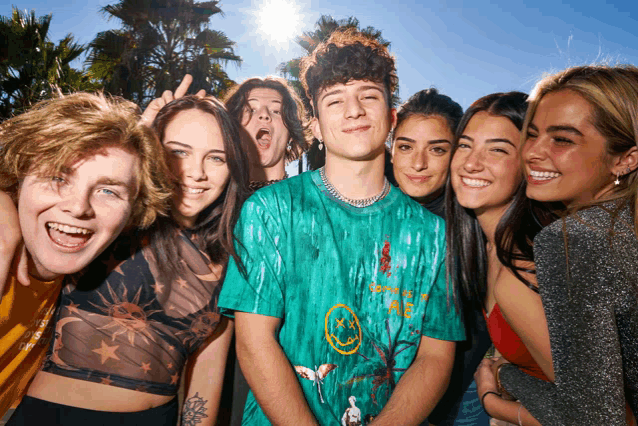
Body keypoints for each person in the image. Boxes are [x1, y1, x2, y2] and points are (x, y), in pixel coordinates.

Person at [218, 29, 465, 425]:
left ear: (391, 116)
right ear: (314, 125)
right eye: (335, 101)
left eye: (369, 96)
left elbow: (436, 357)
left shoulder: (433, 235)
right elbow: (254, 341)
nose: (353, 111)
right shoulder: (270, 209)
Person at [7, 95, 250, 425]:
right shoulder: (110, 222)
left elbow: (206, 373)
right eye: (178, 152)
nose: (196, 173)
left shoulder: (232, 255)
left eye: (217, 158)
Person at [0, 92, 172, 418]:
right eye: (57, 178)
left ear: (132, 212)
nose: (79, 207)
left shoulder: (81, 286)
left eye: (108, 191)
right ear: (19, 177)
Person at [495, 65, 638, 425]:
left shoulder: (574, 240)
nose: (532, 153)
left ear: (625, 159)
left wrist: (504, 378)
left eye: (562, 139)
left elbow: (596, 420)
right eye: (532, 134)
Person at [446, 91, 554, 425]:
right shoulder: (488, 249)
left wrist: (492, 400)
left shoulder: (523, 267)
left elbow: (598, 414)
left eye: (497, 150)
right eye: (465, 145)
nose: (471, 163)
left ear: (529, 164)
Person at [389, 88, 491, 426]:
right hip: (380, 395)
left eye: (436, 149)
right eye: (406, 146)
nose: (418, 163)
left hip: (459, 402)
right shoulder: (374, 212)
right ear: (391, 151)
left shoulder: (476, 220)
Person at [223, 76, 309, 189]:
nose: (264, 114)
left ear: (291, 135)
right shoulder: (212, 199)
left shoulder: (308, 200)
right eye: (251, 110)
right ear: (234, 129)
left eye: (276, 111)